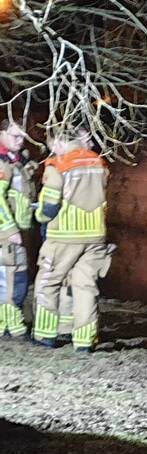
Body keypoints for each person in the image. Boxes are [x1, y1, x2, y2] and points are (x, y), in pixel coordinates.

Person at [32, 127, 111, 352]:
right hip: (95, 235)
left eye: (52, 146)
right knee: (85, 286)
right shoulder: (99, 163)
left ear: (59, 142)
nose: (52, 151)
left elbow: (49, 206)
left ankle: (45, 334)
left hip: (64, 236)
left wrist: (39, 216)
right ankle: (84, 341)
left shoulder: (58, 165)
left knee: (48, 282)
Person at [0, 121, 35, 340]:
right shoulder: (2, 163)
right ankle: (12, 325)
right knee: (12, 278)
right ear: (1, 134)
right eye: (15, 136)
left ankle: (8, 323)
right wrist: (9, 229)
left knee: (16, 275)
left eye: (22, 137)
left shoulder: (17, 159)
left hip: (19, 231)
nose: (20, 141)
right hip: (7, 234)